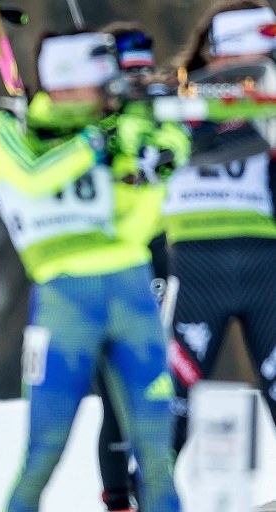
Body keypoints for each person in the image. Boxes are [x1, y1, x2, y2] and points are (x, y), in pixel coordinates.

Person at [0, 30, 189, 512]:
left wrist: (161, 153)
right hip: (63, 304)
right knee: (42, 454)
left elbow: (137, 221)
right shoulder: (7, 128)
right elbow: (32, 178)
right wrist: (94, 142)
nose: (107, 98)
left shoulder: (117, 127)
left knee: (157, 459)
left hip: (133, 291)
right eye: (100, 86)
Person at [164, 0, 276, 458]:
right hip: (194, 264)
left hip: (264, 262)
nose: (256, 70)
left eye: (265, 60)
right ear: (217, 53)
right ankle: (140, 489)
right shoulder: (172, 98)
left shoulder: (269, 99)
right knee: (171, 404)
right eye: (245, 59)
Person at [94, 21, 172, 512]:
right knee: (114, 392)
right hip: (99, 263)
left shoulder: (166, 109)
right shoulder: (86, 117)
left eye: (146, 70)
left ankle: (154, 490)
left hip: (157, 256)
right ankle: (119, 498)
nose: (140, 81)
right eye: (130, 72)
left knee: (158, 382)